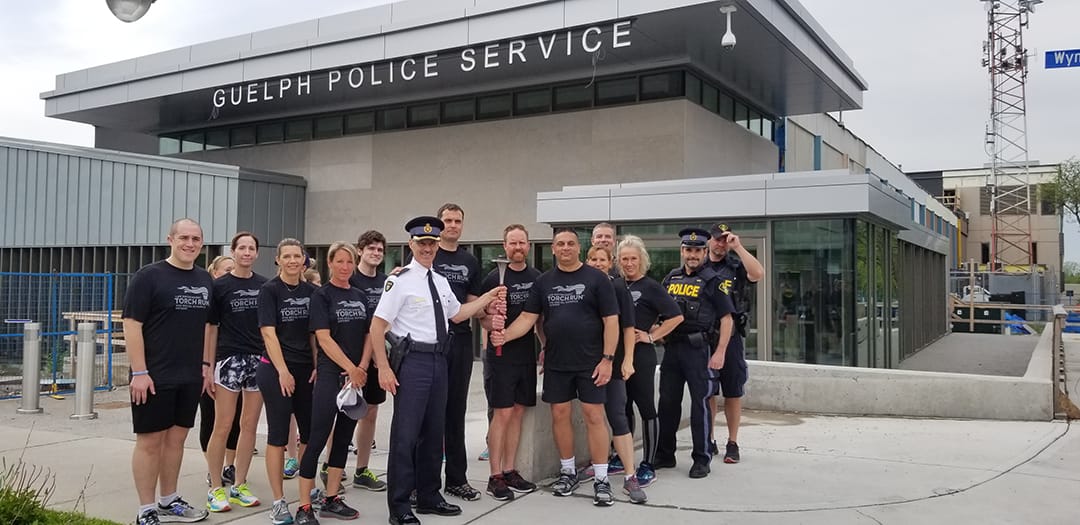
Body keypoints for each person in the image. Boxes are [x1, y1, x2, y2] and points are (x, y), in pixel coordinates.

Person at [370, 216, 503, 525]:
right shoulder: (399, 281)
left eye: (432, 243)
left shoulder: (441, 282)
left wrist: (486, 298)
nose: (427, 248)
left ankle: (429, 495)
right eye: (422, 243)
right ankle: (400, 505)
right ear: (412, 245)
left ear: (437, 245)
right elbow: (378, 327)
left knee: (433, 433)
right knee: (406, 436)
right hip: (413, 362)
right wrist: (384, 367)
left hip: (439, 361)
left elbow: (458, 315)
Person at [491, 227, 620, 507]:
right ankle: (568, 471)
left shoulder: (597, 278)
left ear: (578, 247)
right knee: (559, 415)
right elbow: (528, 318)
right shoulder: (544, 281)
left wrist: (608, 359)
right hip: (556, 363)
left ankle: (601, 478)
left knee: (594, 416)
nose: (565, 248)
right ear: (552, 248)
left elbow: (612, 321)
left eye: (570, 243)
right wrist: (505, 335)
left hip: (591, 362)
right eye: (559, 244)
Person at [123, 218, 213, 525]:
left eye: (196, 239)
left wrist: (204, 366)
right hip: (153, 376)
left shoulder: (204, 279)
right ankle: (145, 510)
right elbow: (132, 324)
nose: (190, 244)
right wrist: (139, 372)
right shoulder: (149, 276)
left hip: (189, 376)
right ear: (170, 239)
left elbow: (205, 327)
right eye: (184, 237)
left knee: (176, 441)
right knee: (150, 442)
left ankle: (168, 500)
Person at [295, 242, 370, 524]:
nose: (345, 267)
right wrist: (350, 368)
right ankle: (304, 506)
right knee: (317, 439)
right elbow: (324, 339)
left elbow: (367, 335)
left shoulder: (360, 295)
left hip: (355, 378)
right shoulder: (321, 296)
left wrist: (361, 367)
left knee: (342, 440)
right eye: (339, 261)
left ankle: (331, 499)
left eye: (349, 262)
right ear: (330, 263)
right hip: (331, 375)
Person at [654, 228, 737, 479]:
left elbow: (726, 319)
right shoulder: (671, 278)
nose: (692, 255)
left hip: (699, 350)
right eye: (688, 250)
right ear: (682, 251)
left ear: (704, 251)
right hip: (672, 349)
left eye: (697, 250)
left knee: (700, 405)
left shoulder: (713, 281)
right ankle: (664, 454)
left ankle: (702, 458)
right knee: (667, 403)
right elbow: (659, 313)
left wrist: (720, 352)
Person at [477, 224, 542, 501]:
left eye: (522, 243)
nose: (517, 248)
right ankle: (495, 476)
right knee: (501, 414)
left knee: (517, 412)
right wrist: (492, 318)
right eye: (512, 243)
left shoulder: (537, 278)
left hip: (525, 355)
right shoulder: (493, 278)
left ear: (528, 246)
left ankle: (510, 469)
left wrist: (545, 347)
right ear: (504, 247)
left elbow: (539, 318)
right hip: (500, 358)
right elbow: (480, 314)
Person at [256, 238, 318, 525]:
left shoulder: (312, 291)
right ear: (278, 260)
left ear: (304, 260)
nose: (293, 261)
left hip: (307, 371)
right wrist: (282, 371)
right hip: (276, 370)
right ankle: (279, 501)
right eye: (287, 256)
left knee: (309, 434)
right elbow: (269, 334)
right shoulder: (269, 291)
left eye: (298, 256)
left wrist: (317, 367)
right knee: (279, 436)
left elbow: (315, 335)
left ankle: (307, 491)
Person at [205, 232, 267, 513]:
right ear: (233, 251)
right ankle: (215, 488)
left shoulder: (265, 286)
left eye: (251, 248)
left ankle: (239, 484)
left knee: (249, 425)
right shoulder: (220, 286)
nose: (246, 252)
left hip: (258, 359)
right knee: (223, 425)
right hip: (228, 359)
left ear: (256, 253)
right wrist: (207, 366)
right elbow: (211, 327)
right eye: (241, 248)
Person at [616, 235, 684, 488]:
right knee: (622, 407)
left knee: (645, 406)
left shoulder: (651, 286)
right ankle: (623, 457)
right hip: (618, 354)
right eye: (625, 259)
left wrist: (651, 335)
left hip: (642, 355)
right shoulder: (616, 285)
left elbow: (675, 317)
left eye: (633, 258)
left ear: (642, 260)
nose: (629, 263)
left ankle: (649, 462)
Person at [583, 245, 646, 504]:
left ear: (611, 263)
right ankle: (598, 468)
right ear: (587, 261)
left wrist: (628, 360)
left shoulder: (619, 288)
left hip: (613, 361)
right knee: (591, 417)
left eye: (603, 260)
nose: (598, 263)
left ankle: (630, 476)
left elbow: (629, 328)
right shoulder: (580, 284)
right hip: (583, 361)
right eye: (593, 259)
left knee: (617, 416)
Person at [430, 203, 484, 502]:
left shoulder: (470, 261)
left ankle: (456, 479)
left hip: (460, 343)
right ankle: (422, 480)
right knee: (427, 413)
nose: (452, 225)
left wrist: (490, 307)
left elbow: (472, 307)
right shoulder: (427, 253)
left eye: (457, 221)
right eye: (447, 220)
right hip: (428, 343)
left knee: (455, 412)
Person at [705, 223, 763, 463]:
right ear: (709, 240)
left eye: (724, 240)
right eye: (717, 239)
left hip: (732, 339)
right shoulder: (700, 265)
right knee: (707, 392)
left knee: (733, 391)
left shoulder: (736, 267)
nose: (721, 244)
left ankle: (732, 441)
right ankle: (709, 439)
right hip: (705, 335)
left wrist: (738, 247)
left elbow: (758, 274)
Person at [349, 230, 390, 492]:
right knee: (344, 413)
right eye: (371, 249)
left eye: (379, 250)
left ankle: (362, 470)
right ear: (360, 250)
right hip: (351, 356)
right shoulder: (349, 279)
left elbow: (388, 320)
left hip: (378, 357)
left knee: (370, 412)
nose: (375, 253)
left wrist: (379, 354)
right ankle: (332, 466)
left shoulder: (387, 282)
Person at [198, 256, 242, 487]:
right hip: (210, 363)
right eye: (226, 269)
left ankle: (229, 465)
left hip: (236, 365)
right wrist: (206, 365)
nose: (231, 273)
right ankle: (211, 467)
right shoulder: (209, 299)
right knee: (211, 418)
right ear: (214, 272)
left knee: (235, 420)